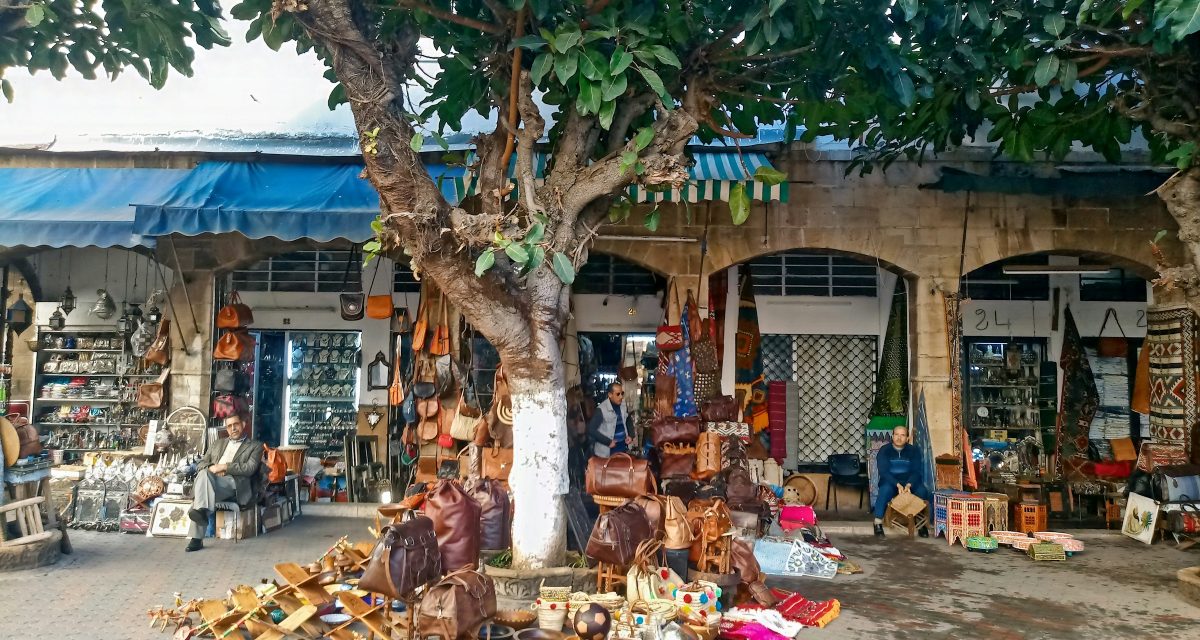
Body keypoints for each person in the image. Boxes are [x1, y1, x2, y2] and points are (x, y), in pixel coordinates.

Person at [185, 414, 264, 552]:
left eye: (236, 424)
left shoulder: (255, 446)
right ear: (226, 428)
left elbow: (250, 468)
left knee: (201, 492)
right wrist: (212, 468)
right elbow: (201, 463)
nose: (233, 428)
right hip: (213, 481)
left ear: (243, 424)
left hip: (235, 484)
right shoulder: (218, 443)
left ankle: (196, 538)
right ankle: (201, 512)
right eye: (229, 426)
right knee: (204, 474)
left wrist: (224, 467)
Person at [873, 425, 931, 537]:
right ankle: (878, 522)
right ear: (892, 436)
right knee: (884, 490)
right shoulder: (884, 450)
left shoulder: (913, 450)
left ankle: (920, 523)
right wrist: (897, 484)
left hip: (910, 481)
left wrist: (909, 484)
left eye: (902, 435)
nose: (899, 438)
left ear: (908, 438)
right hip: (891, 481)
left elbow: (916, 470)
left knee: (922, 491)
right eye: (896, 435)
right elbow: (884, 472)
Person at [586, 381, 633, 457]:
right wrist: (608, 442)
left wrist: (631, 435)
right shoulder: (601, 409)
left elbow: (628, 419)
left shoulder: (623, 405)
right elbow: (591, 429)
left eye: (622, 393)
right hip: (606, 452)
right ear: (610, 395)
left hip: (622, 449)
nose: (621, 397)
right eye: (618, 394)